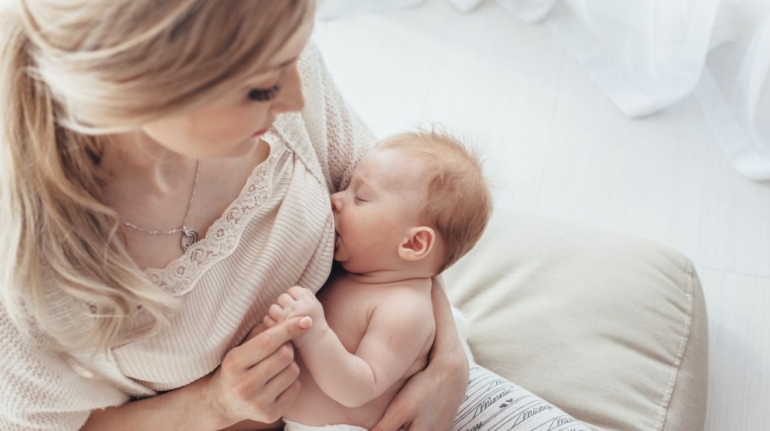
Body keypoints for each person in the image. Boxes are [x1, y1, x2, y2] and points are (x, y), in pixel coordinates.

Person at [0, 1, 590, 430]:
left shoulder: (275, 51)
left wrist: (448, 362)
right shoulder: (32, 267)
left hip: (395, 380)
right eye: (260, 90)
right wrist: (216, 404)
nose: (295, 101)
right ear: (144, 92)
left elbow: (410, 219)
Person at [263, 130, 492, 431]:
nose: (334, 199)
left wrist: (313, 334)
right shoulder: (360, 272)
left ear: (413, 245)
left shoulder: (403, 309)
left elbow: (358, 388)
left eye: (360, 197)